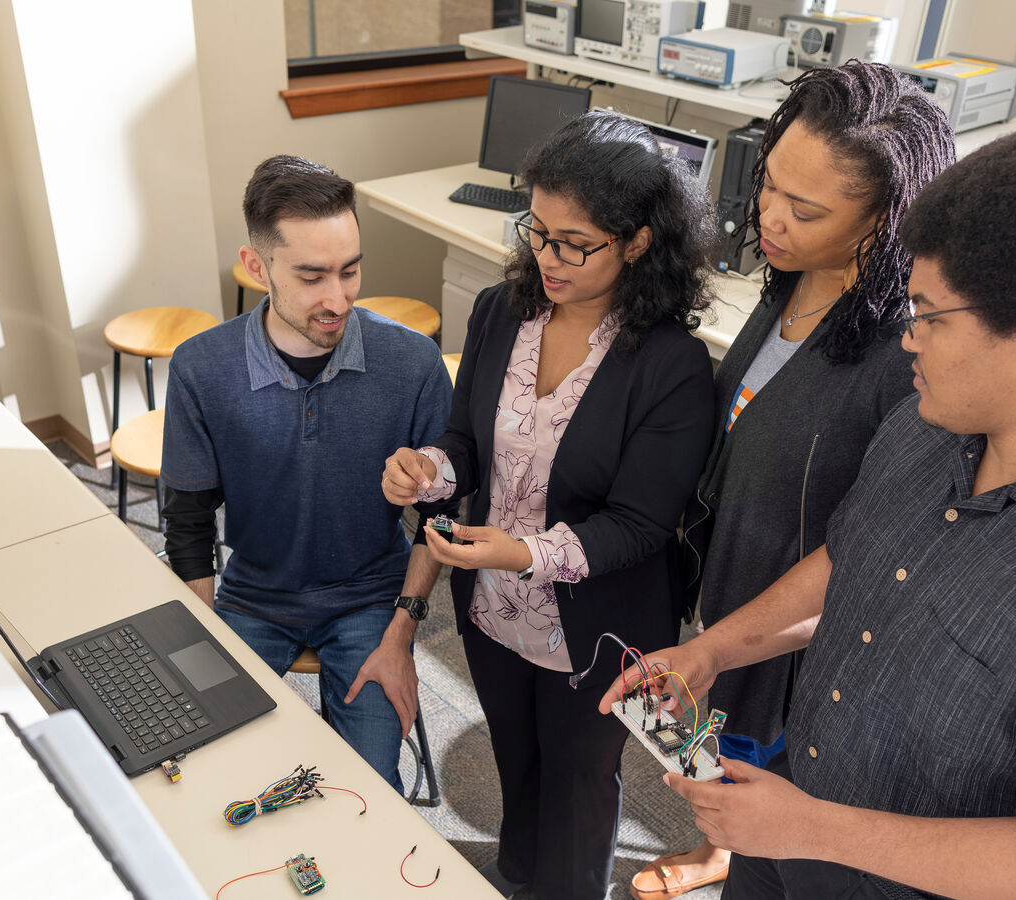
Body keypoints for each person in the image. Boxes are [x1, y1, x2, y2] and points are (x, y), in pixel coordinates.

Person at [602, 117, 1016, 900]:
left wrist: (811, 827)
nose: (906, 338)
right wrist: (715, 651)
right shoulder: (930, 424)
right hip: (787, 839)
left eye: (926, 313)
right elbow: (855, 560)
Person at [631, 59, 956, 900]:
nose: (769, 217)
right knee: (719, 774)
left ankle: (738, 854)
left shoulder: (906, 354)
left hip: (799, 643)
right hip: (729, 594)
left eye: (805, 209)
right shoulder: (791, 282)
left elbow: (875, 549)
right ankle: (723, 848)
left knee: (775, 803)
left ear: (887, 218)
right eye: (769, 183)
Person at [381, 110, 717, 900]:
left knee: (580, 780)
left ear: (637, 241)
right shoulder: (506, 311)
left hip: (597, 622)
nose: (547, 257)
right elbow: (467, 442)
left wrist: (520, 551)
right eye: (538, 231)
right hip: (493, 604)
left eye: (576, 243)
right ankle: (519, 875)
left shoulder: (670, 364)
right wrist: (427, 469)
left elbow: (638, 526)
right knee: (515, 757)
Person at [161, 155, 452, 793]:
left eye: (350, 271)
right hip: (250, 599)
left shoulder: (412, 362)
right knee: (213, 775)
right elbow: (186, 523)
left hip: (374, 600)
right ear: (256, 266)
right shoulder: (200, 369)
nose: (337, 297)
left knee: (371, 790)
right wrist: (206, 641)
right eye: (312, 275)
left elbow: (441, 520)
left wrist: (402, 635)